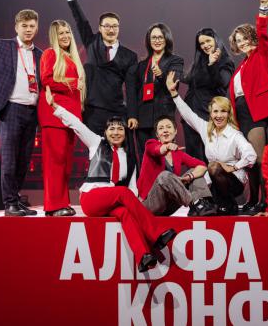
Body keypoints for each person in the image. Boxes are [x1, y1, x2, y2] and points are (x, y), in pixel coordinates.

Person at [45, 87, 176, 273]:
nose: (116, 132)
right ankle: (156, 233)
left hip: (111, 200)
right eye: (112, 129)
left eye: (120, 129)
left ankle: (143, 256)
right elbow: (75, 124)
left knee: (125, 212)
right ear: (105, 132)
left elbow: (132, 189)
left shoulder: (130, 158)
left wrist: (139, 204)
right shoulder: (96, 143)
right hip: (91, 198)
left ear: (125, 133)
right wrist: (55, 107)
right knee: (122, 193)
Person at [0, 10, 42, 216]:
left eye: (31, 26)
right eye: (24, 26)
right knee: (10, 159)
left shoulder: (40, 54)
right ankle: (9, 203)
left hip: (32, 111)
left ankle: (16, 199)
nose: (28, 30)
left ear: (36, 28)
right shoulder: (4, 45)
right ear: (16, 27)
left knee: (24, 160)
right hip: (11, 108)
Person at [166, 71, 256, 215]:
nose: (218, 115)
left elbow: (251, 155)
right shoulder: (206, 129)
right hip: (214, 181)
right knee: (196, 172)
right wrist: (174, 94)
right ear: (211, 113)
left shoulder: (234, 135)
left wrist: (233, 167)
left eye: (223, 111)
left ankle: (228, 204)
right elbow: (188, 115)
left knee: (213, 167)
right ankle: (206, 206)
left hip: (234, 183)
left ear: (228, 114)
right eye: (215, 112)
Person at [59, 0, 138, 135]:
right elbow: (80, 20)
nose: (111, 30)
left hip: (117, 111)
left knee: (118, 150)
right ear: (100, 29)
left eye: (114, 26)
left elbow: (131, 87)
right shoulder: (91, 42)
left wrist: (132, 114)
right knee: (95, 149)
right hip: (92, 110)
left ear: (119, 28)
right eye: (107, 26)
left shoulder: (130, 56)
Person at [228, 0, 268, 214]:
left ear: (252, 37)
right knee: (250, 158)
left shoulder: (262, 53)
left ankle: (264, 202)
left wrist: (264, 6)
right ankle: (252, 200)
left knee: (259, 158)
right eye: (238, 41)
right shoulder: (242, 64)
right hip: (242, 113)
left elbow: (263, 32)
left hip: (256, 111)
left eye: (244, 38)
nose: (242, 43)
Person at [38, 20, 85, 216]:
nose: (65, 36)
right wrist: (73, 83)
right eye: (61, 33)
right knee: (55, 162)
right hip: (54, 115)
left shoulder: (72, 57)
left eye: (67, 32)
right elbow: (46, 79)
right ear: (54, 37)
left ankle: (62, 203)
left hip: (69, 117)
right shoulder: (50, 54)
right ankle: (53, 206)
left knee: (65, 164)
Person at [137, 116, 216, 217]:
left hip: (168, 206)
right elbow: (157, 150)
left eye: (168, 127)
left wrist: (189, 177)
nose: (165, 130)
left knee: (193, 171)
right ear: (157, 135)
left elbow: (202, 165)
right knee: (164, 176)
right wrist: (167, 146)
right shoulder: (150, 144)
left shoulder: (177, 153)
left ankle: (203, 205)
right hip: (150, 204)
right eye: (161, 128)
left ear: (175, 131)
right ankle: (195, 203)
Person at [181, 28, 235, 161]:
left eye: (208, 41)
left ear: (216, 40)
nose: (205, 45)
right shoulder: (199, 62)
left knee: (210, 157)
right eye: (201, 43)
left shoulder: (225, 61)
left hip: (208, 115)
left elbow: (222, 83)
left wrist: (212, 64)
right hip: (190, 115)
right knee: (193, 158)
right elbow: (187, 79)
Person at [135, 23, 184, 158]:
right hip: (143, 119)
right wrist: (134, 116)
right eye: (154, 37)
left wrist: (161, 75)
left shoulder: (176, 61)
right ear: (149, 40)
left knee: (165, 158)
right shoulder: (142, 65)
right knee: (144, 157)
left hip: (163, 118)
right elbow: (136, 92)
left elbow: (173, 85)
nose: (157, 40)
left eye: (160, 37)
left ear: (166, 39)